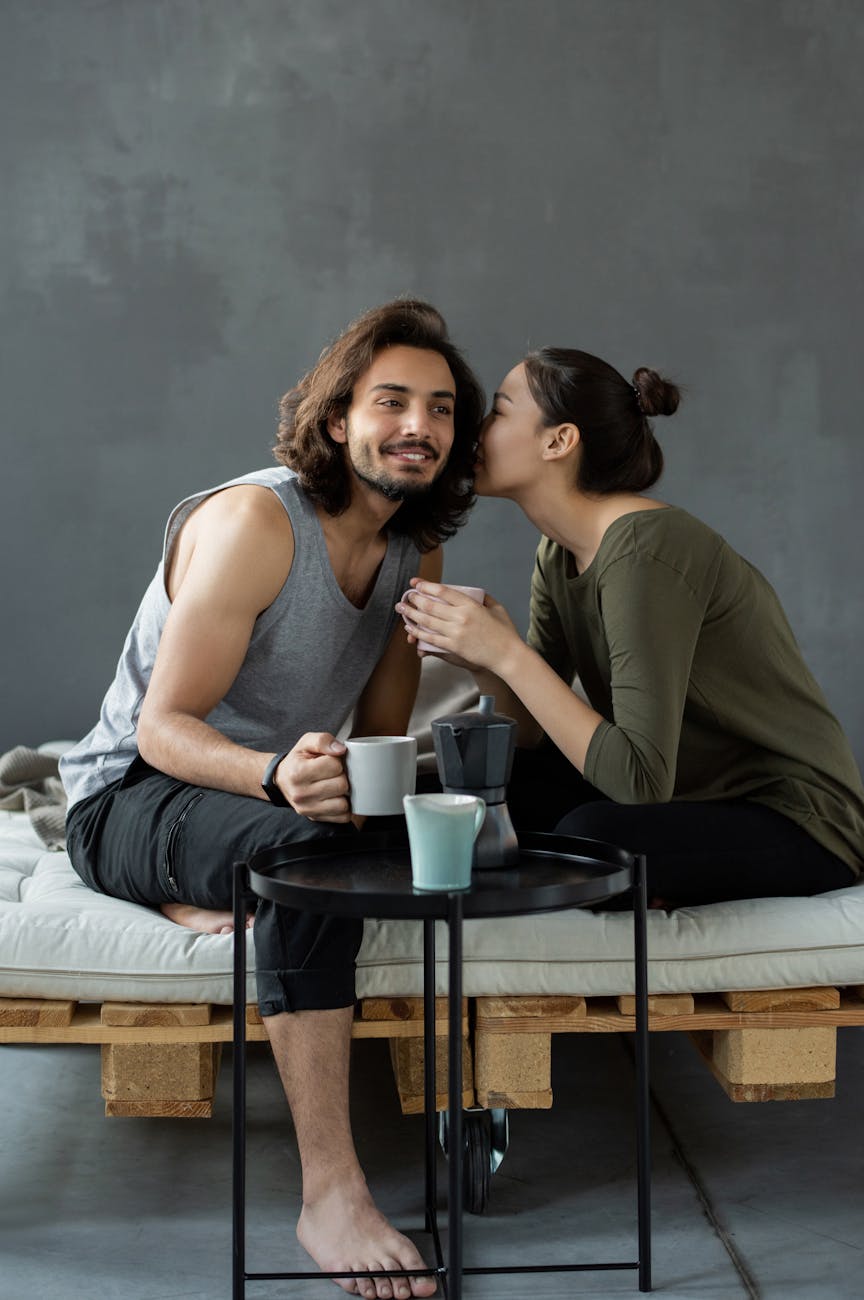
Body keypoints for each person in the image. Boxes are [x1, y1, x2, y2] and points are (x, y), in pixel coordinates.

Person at [60, 299, 485, 1300]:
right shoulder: (257, 519)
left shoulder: (412, 549)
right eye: (390, 401)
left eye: (440, 408)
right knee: (306, 856)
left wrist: (442, 660)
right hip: (132, 794)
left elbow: (377, 737)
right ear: (338, 418)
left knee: (426, 829)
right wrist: (271, 777)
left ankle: (227, 890)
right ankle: (330, 1193)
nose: (417, 426)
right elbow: (164, 727)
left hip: (264, 800)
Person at [397, 347, 864, 905]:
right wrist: (482, 660)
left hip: (797, 820)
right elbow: (535, 734)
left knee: (593, 842)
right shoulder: (558, 552)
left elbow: (640, 780)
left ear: (558, 441)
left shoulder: (644, 552)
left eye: (500, 410)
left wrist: (506, 653)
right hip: (687, 797)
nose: (479, 428)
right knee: (451, 801)